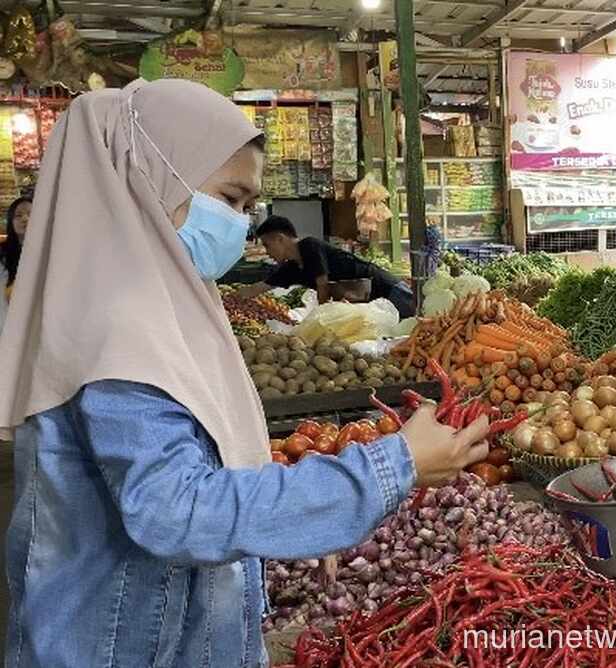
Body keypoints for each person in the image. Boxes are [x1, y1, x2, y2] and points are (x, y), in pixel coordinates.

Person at [0, 79, 488, 668]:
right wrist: (390, 467)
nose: (241, 223)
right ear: (152, 180)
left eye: (249, 205)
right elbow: (174, 510)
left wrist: (290, 525)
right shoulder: (118, 328)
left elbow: (194, 473)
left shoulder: (161, 302)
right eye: (230, 199)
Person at [238, 216, 416, 318]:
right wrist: (228, 301)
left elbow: (322, 284)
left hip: (389, 290)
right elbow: (259, 288)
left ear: (280, 239)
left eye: (268, 245)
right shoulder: (291, 268)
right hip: (372, 304)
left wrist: (321, 317)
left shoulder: (309, 246)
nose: (267, 252)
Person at [0, 195, 32, 330]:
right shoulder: (2, 253)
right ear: (11, 222)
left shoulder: (49, 251)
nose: (25, 219)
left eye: (31, 214)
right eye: (18, 215)